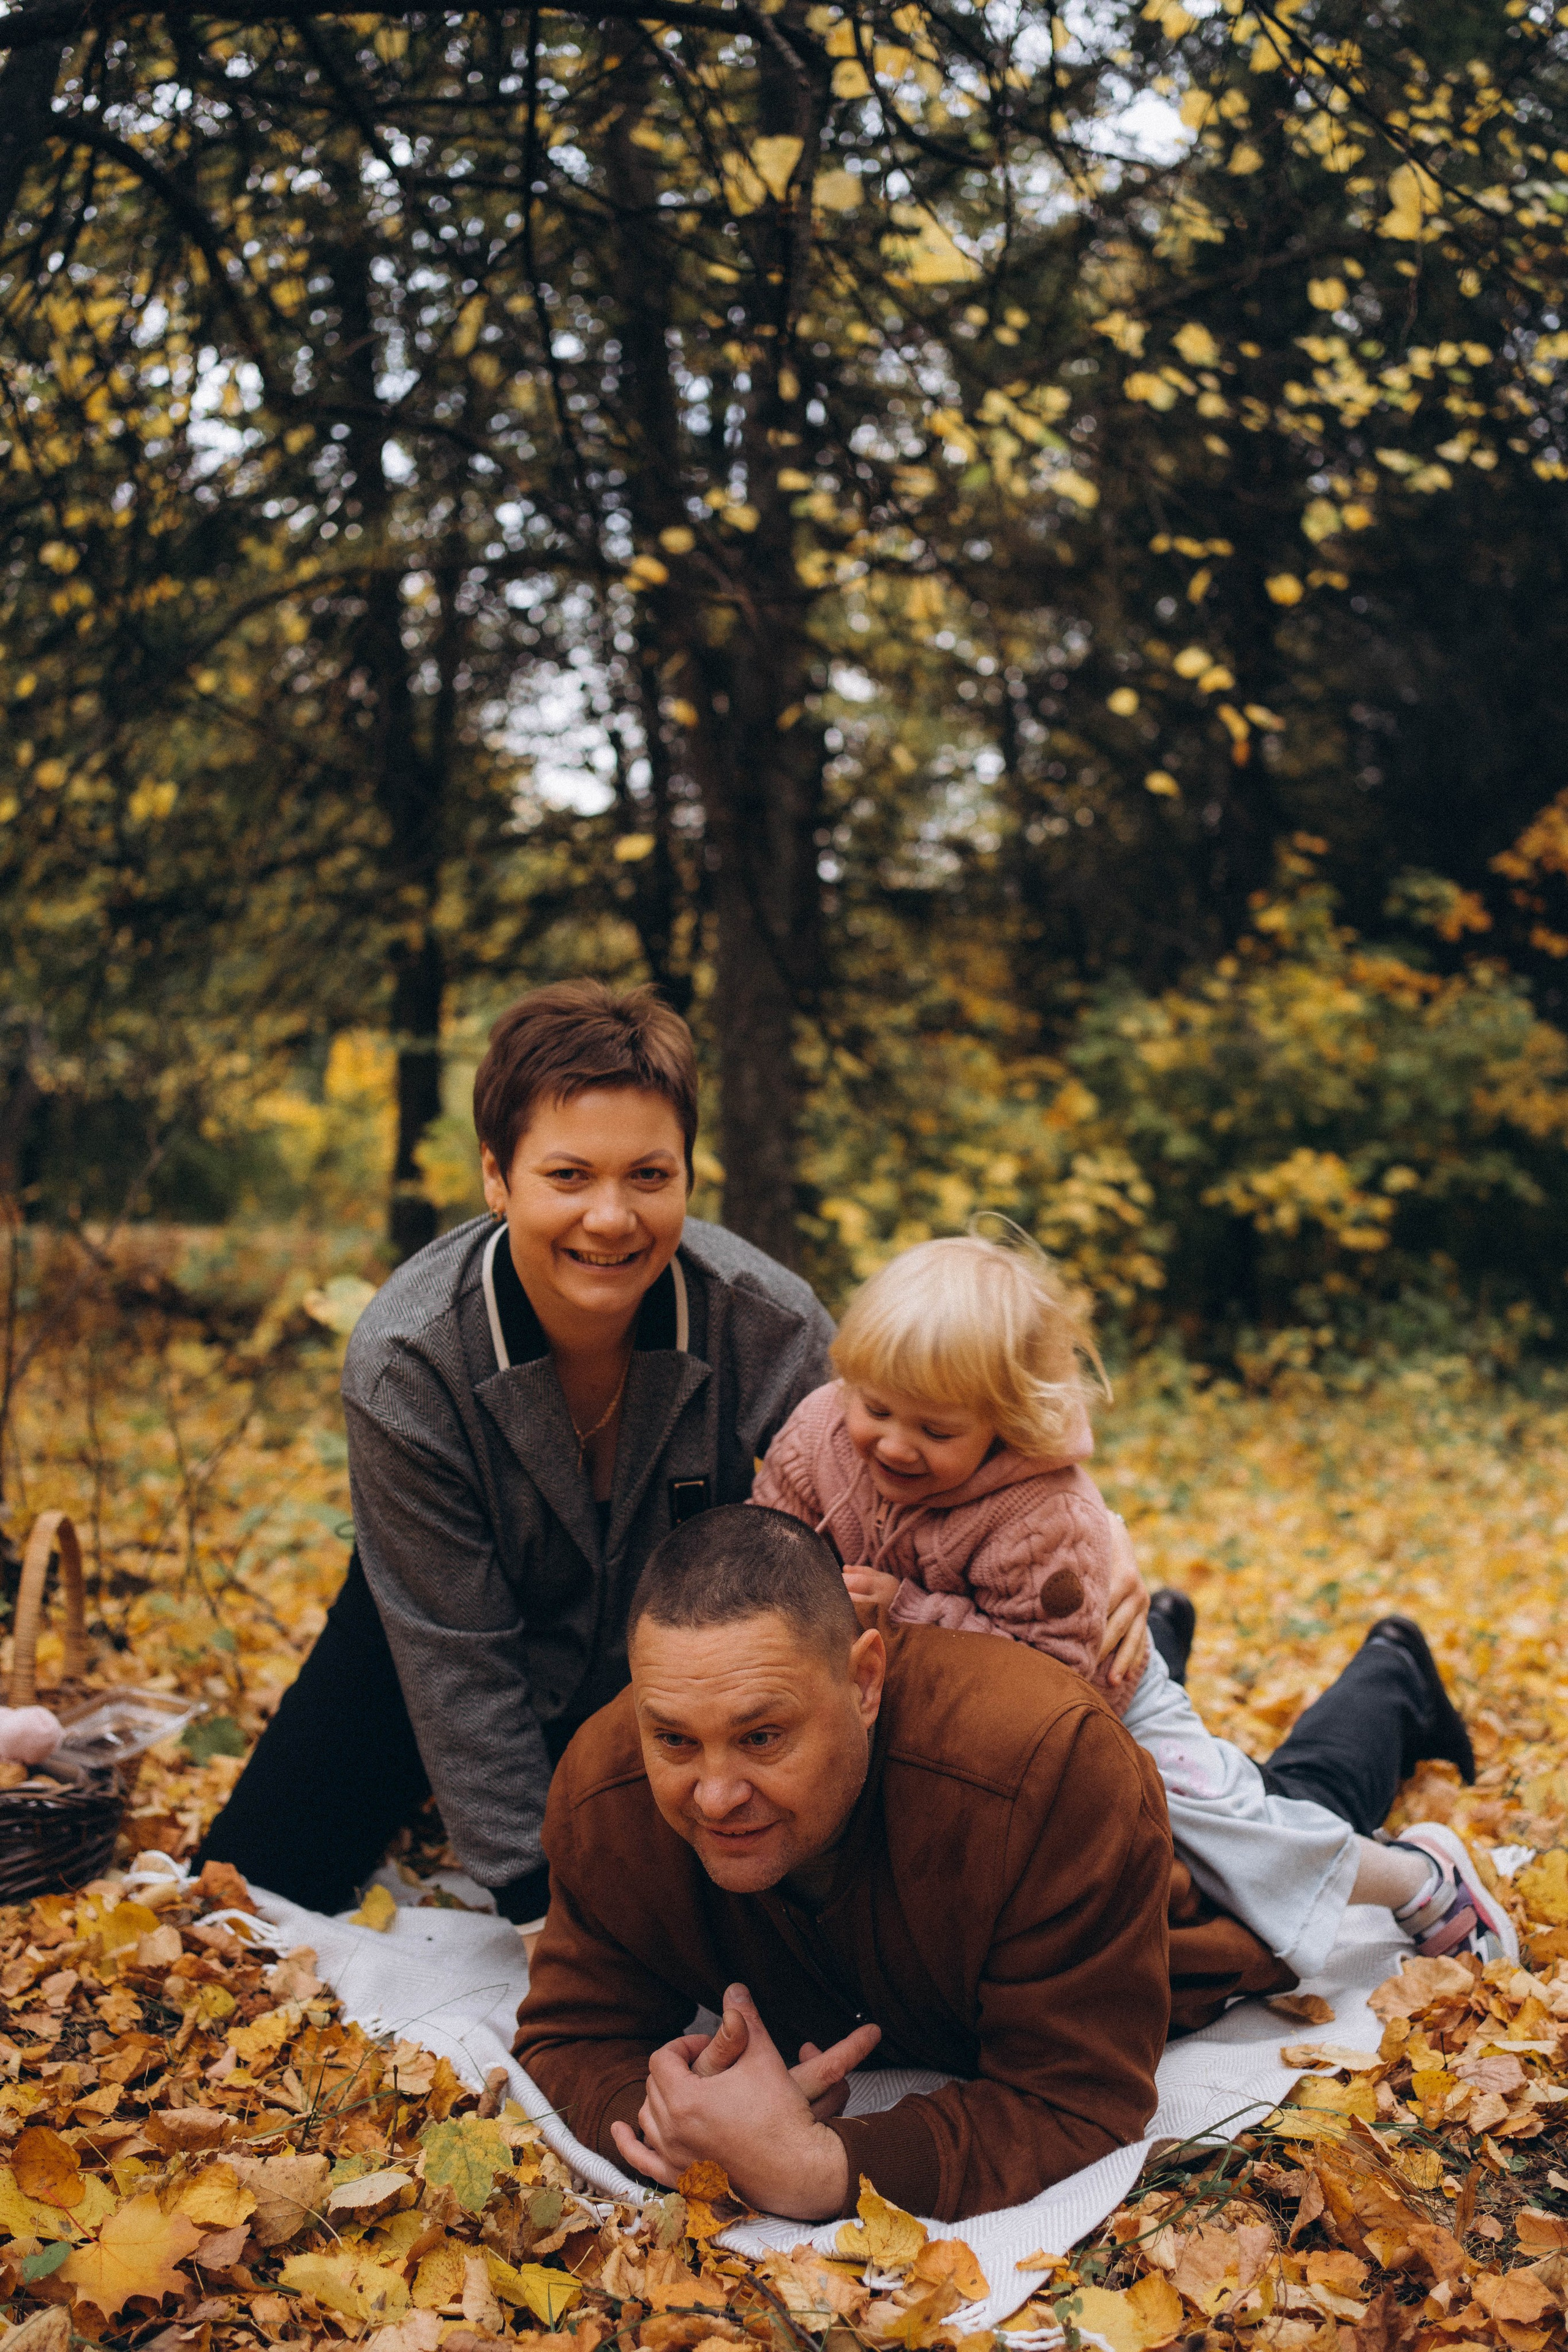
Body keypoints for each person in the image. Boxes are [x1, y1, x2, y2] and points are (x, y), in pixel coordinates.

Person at [198, 982, 837, 1923]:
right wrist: (539, 1908)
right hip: (441, 1627)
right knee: (249, 1896)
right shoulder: (410, 1359)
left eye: (648, 1176)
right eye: (569, 1176)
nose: (611, 1218)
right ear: (497, 1178)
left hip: (687, 1686)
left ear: (687, 1177)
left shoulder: (771, 1326)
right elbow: (457, 1662)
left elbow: (862, 1554)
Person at [750, 1232, 1515, 1978]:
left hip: (1094, 1697)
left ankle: (1417, 1878)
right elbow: (764, 1542)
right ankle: (1169, 1627)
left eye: (936, 1430)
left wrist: (910, 1616)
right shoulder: (819, 1431)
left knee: (1222, 1828)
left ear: (1006, 1423)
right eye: (876, 1408)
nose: (893, 1444)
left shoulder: (1039, 1516)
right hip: (912, 1702)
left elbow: (1045, 1683)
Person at [515, 1504, 1291, 2225]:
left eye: (762, 1738)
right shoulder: (603, 1789)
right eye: (675, 1741)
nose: (715, 1797)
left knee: (1309, 1791)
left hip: (1197, 1885)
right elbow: (570, 2037)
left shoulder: (1047, 1767)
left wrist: (823, 2169)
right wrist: (684, 2128)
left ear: (864, 1683)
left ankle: (1341, 1683)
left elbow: (1076, 2100)